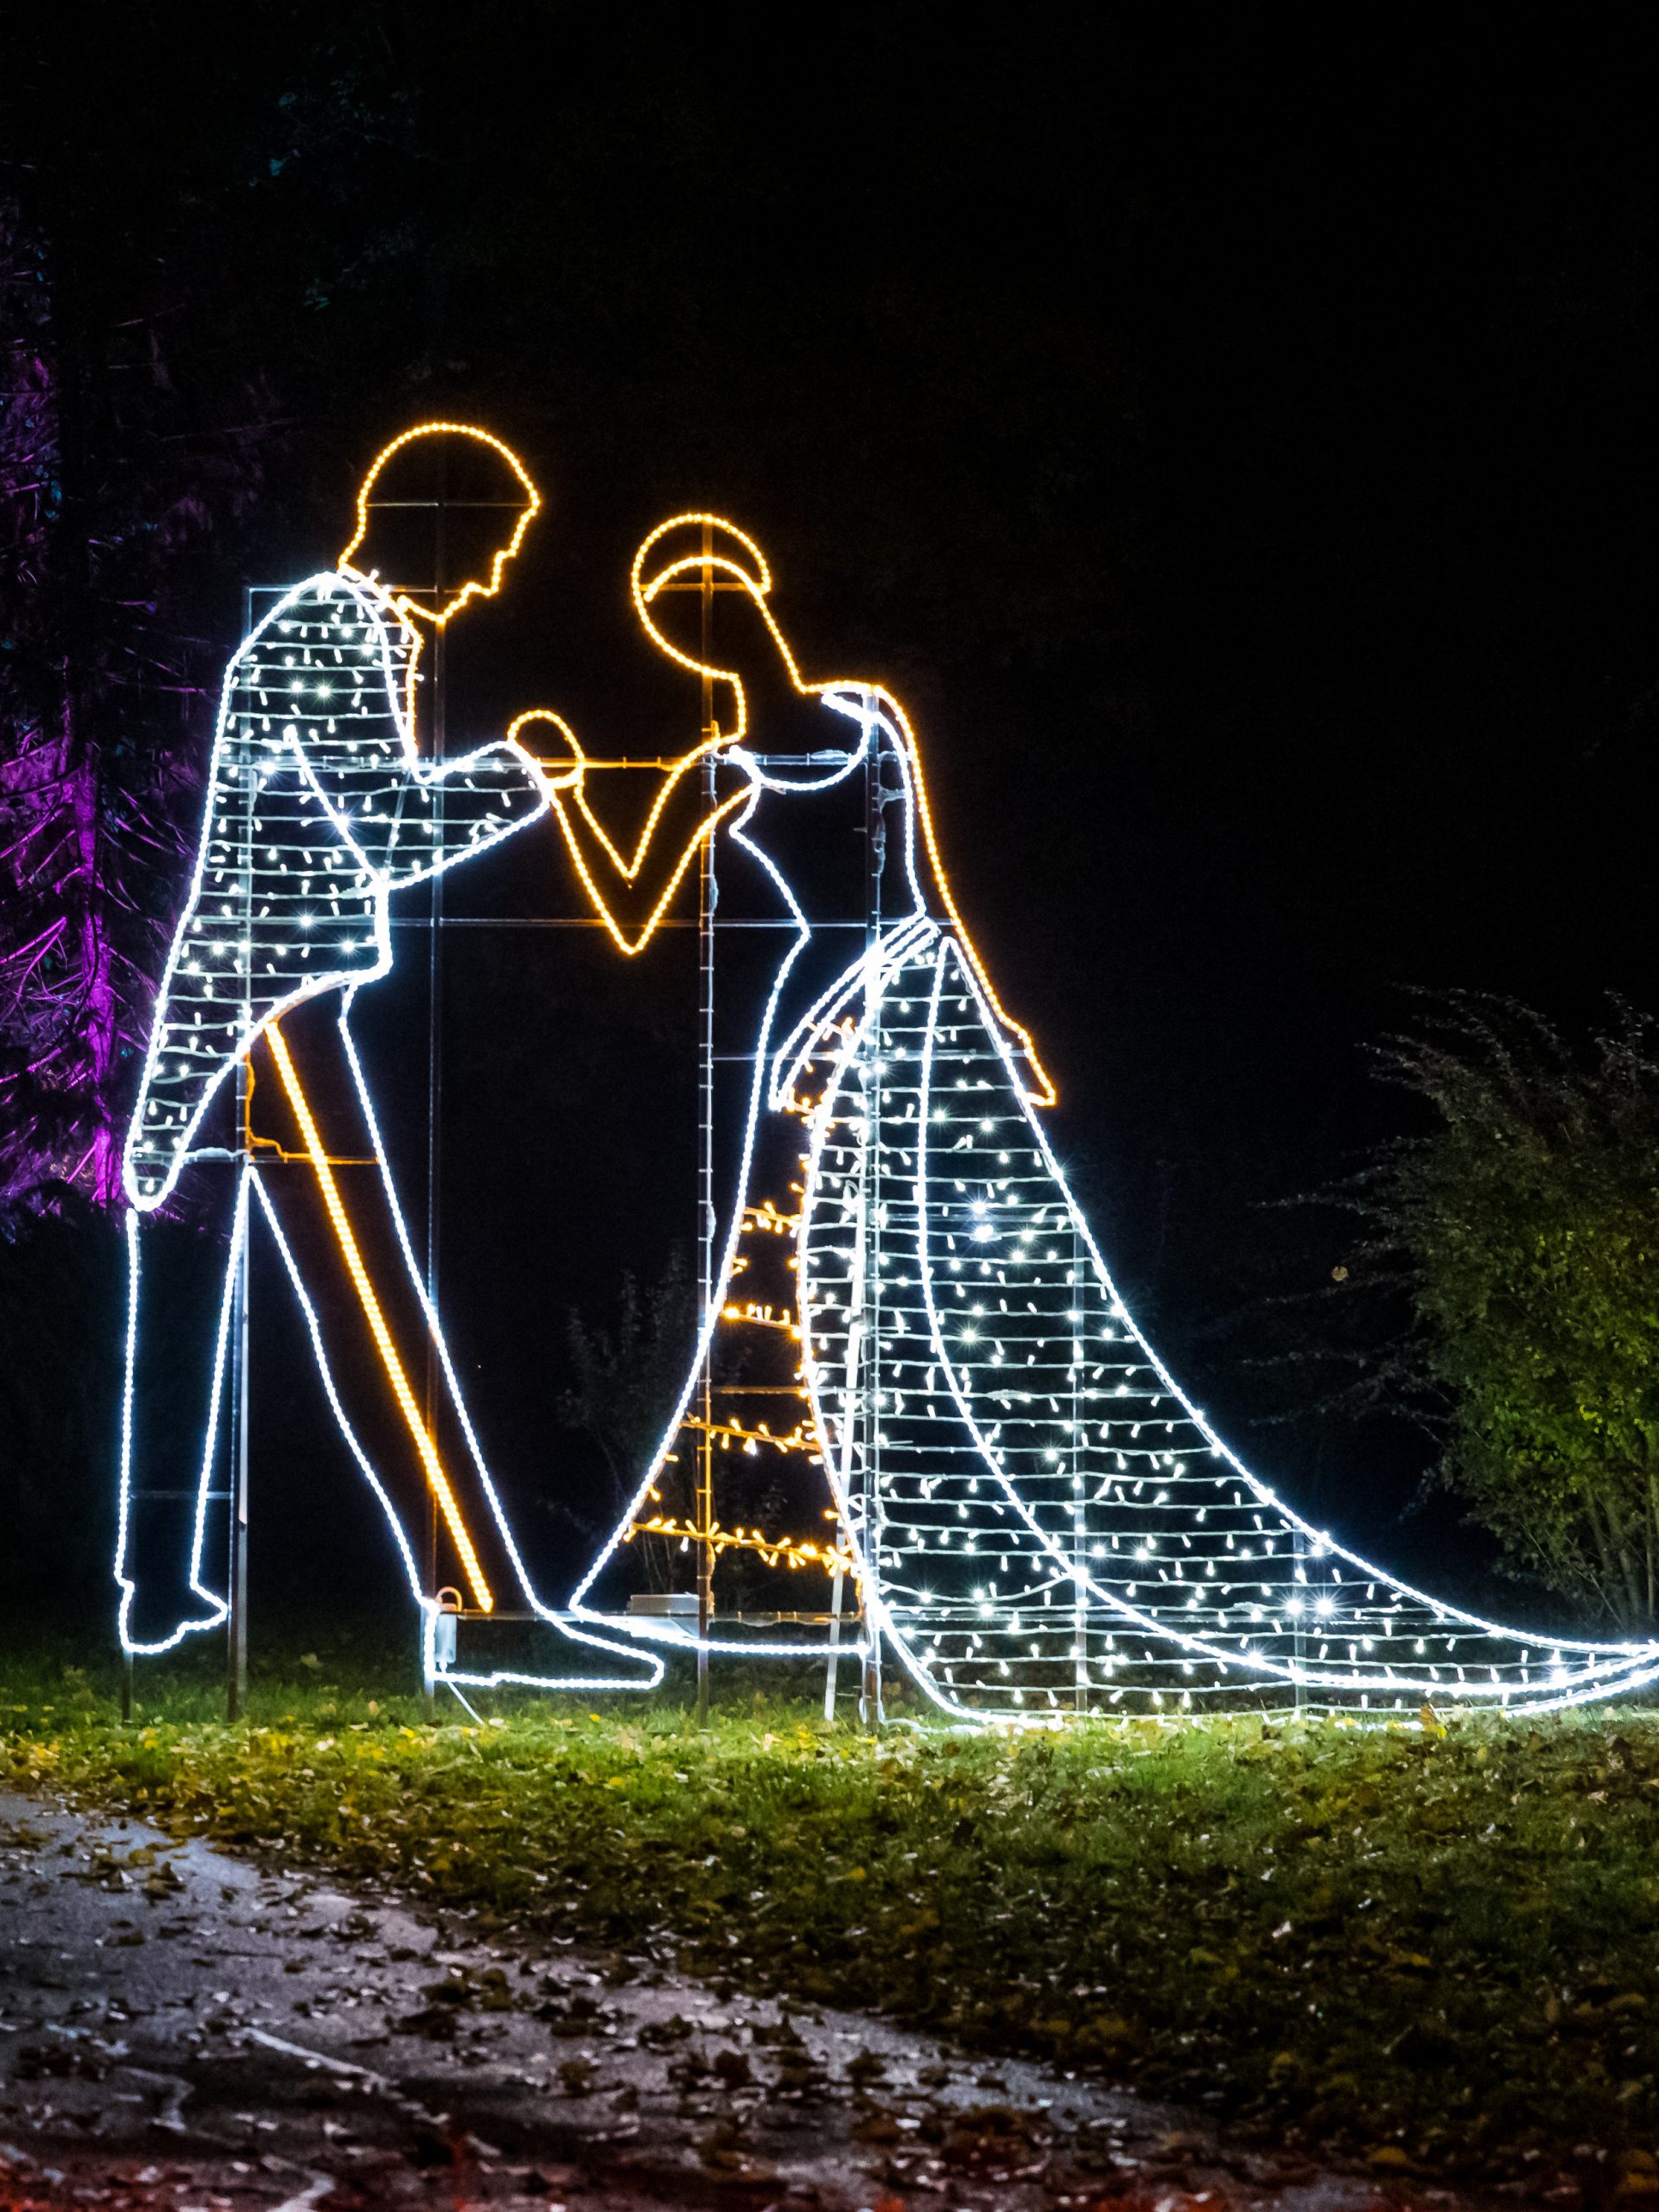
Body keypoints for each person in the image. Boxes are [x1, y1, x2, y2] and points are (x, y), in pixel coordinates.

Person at [556, 515, 1659, 1716]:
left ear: (751, 595)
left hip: (917, 1007)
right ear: (679, 645)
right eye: (685, 621)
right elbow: (623, 909)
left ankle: (959, 1541)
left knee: (972, 1279)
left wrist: (998, 1015)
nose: (710, 627)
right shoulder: (716, 772)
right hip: (816, 1026)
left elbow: (922, 883)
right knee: (802, 1288)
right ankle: (786, 1557)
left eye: (717, 597)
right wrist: (564, 786)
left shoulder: (870, 725)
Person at [114, 423, 580, 1659]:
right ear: (426, 524)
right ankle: (481, 1608)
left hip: (229, 1011)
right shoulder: (334, 627)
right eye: (485, 545)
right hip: (272, 1007)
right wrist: (518, 777)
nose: (486, 579)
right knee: (370, 1300)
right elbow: (381, 829)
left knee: (193, 1307)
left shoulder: (347, 630)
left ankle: (156, 1584)